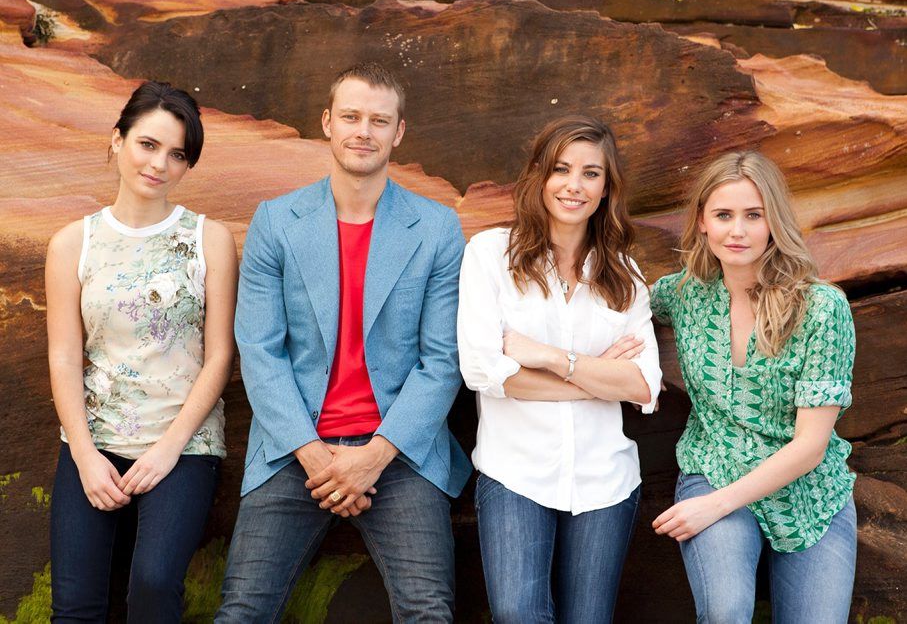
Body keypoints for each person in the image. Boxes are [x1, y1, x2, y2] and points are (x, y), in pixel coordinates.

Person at [217, 62, 471, 622]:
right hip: (292, 445)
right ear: (327, 123)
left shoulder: (436, 228)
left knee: (429, 611)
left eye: (379, 120)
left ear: (398, 132)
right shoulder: (277, 221)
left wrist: (373, 458)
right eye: (351, 117)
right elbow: (259, 348)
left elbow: (443, 360)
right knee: (241, 611)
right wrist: (315, 456)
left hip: (400, 449)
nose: (364, 131)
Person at [457, 115, 663, 623]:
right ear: (539, 177)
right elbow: (485, 371)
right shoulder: (491, 256)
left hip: (605, 480)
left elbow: (642, 385)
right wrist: (597, 380)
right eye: (562, 169)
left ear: (606, 188)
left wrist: (552, 358)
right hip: (514, 473)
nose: (574, 185)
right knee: (517, 615)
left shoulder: (624, 275)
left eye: (591, 173)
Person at [45, 81, 238, 622]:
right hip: (95, 437)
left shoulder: (209, 239)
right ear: (117, 140)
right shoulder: (71, 243)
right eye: (148, 145)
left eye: (178, 154)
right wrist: (84, 455)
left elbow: (219, 355)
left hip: (184, 443)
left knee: (153, 587)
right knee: (76, 604)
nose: (160, 164)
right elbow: (64, 357)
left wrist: (169, 449)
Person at [650, 151, 857, 623]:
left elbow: (810, 446)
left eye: (753, 215)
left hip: (808, 491)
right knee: (725, 613)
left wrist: (712, 508)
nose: (737, 231)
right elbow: (617, 310)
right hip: (714, 466)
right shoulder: (685, 293)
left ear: (773, 222)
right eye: (723, 215)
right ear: (702, 222)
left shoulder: (822, 308)